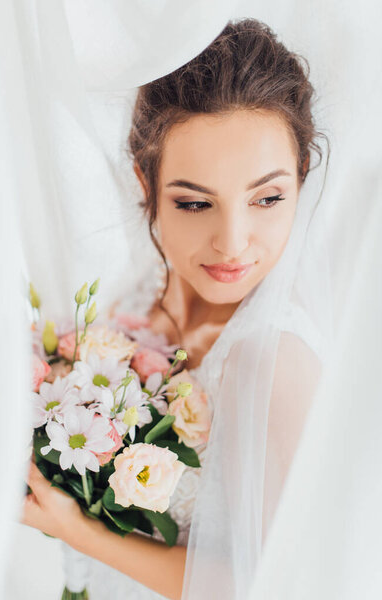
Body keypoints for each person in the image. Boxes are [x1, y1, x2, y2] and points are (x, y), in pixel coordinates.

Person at [21, 18, 333, 600]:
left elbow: (266, 586)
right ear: (145, 184)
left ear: (301, 181)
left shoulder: (279, 365)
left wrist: (78, 529)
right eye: (194, 203)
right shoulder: (134, 297)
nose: (233, 242)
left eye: (268, 197)